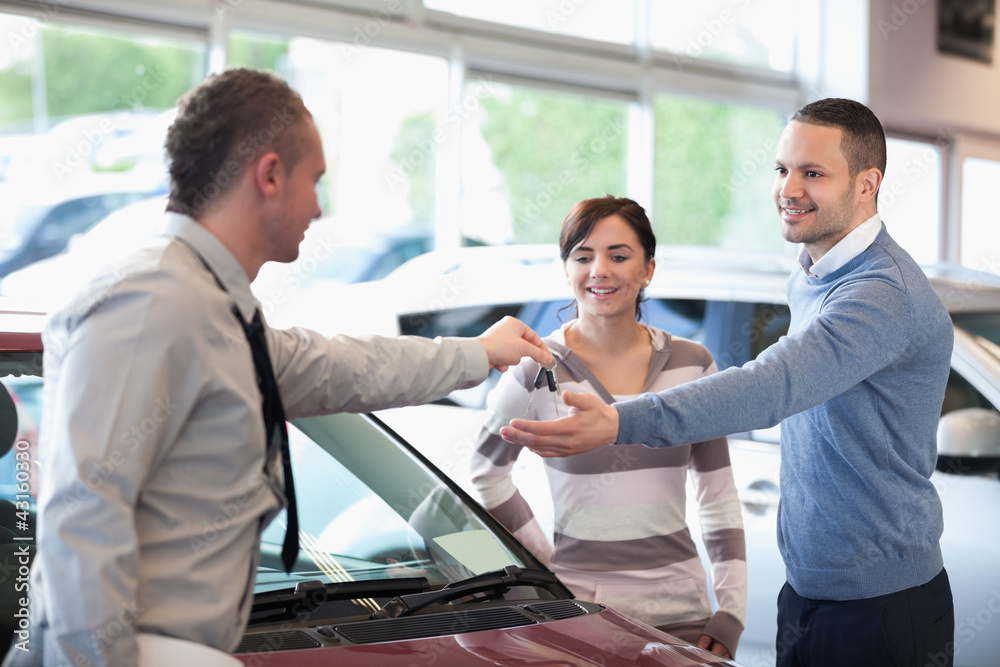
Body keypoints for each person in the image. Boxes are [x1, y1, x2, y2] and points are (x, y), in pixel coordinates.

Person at [4, 67, 552, 667]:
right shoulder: (150, 302)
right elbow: (85, 519)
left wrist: (478, 352)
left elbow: (340, 368)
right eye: (314, 180)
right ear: (269, 175)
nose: (319, 206)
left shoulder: (211, 306)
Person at [500, 98, 956, 667]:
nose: (789, 188)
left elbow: (774, 384)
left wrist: (620, 418)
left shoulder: (880, 294)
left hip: (883, 607)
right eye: (782, 169)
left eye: (813, 173)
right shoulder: (816, 271)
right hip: (811, 593)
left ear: (868, 184)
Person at [470, 196, 746, 658]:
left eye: (619, 256)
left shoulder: (694, 363)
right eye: (583, 256)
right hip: (580, 617)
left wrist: (732, 609)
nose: (600, 270)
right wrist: (543, 563)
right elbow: (484, 472)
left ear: (648, 270)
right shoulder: (535, 367)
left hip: (685, 616)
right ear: (566, 269)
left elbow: (717, 494)